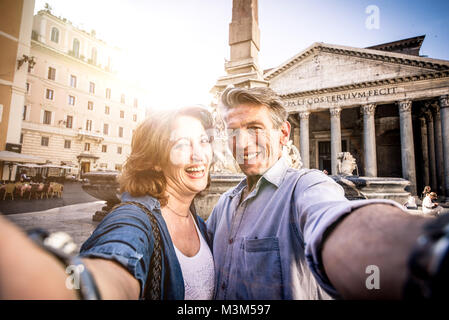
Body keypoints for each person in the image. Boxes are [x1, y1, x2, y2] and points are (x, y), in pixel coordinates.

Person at [206, 86, 433, 300]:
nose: (242, 143)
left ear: (283, 133)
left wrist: (419, 249)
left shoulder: (306, 186)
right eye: (233, 131)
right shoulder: (223, 205)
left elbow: (333, 216)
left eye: (255, 128)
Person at [0, 106, 215, 300]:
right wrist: (79, 288)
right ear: (155, 161)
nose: (199, 156)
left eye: (203, 141)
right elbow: (117, 263)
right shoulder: (133, 219)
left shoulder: (199, 222)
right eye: (182, 144)